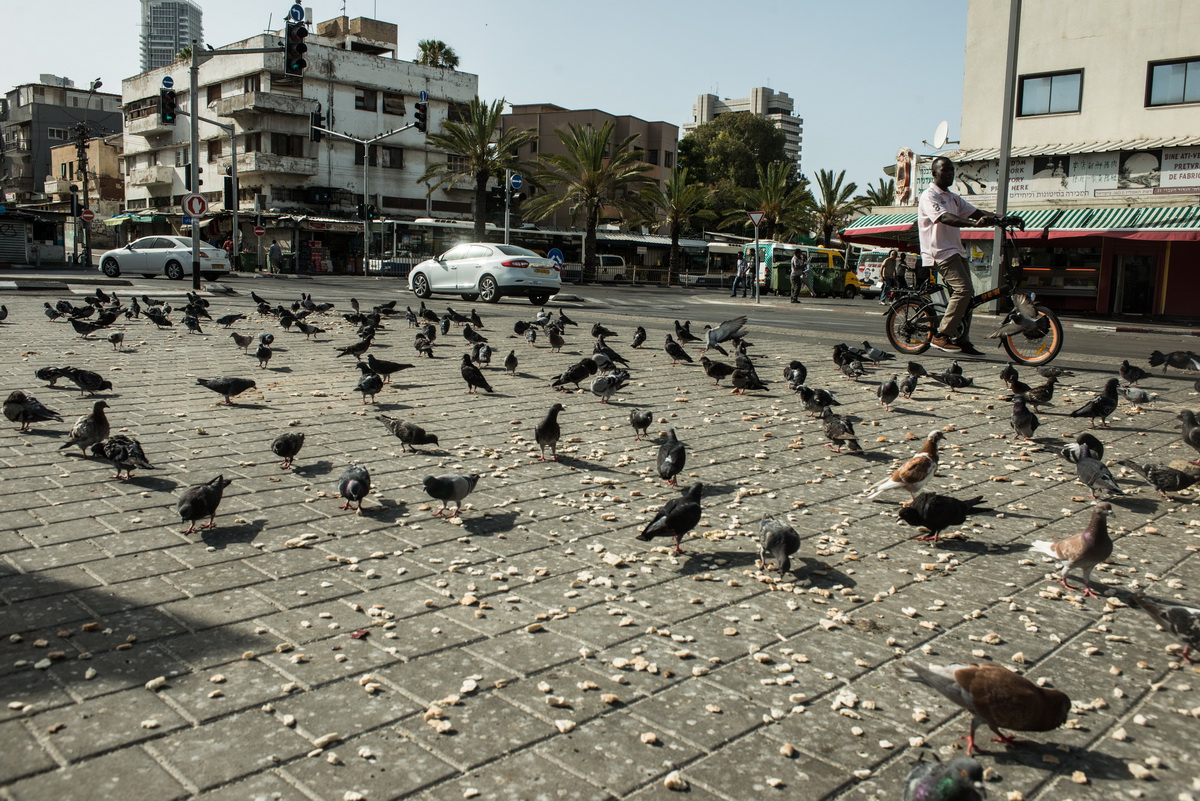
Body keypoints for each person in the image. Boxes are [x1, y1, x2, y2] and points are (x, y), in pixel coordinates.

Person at [917, 156, 1003, 355]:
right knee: (963, 290)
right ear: (934, 173)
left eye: (952, 171)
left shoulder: (953, 197)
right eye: (945, 170)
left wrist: (1001, 218)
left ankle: (961, 339)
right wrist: (973, 225)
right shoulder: (930, 195)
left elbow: (976, 212)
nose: (950, 174)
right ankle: (941, 336)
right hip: (940, 252)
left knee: (969, 296)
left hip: (956, 250)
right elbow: (945, 217)